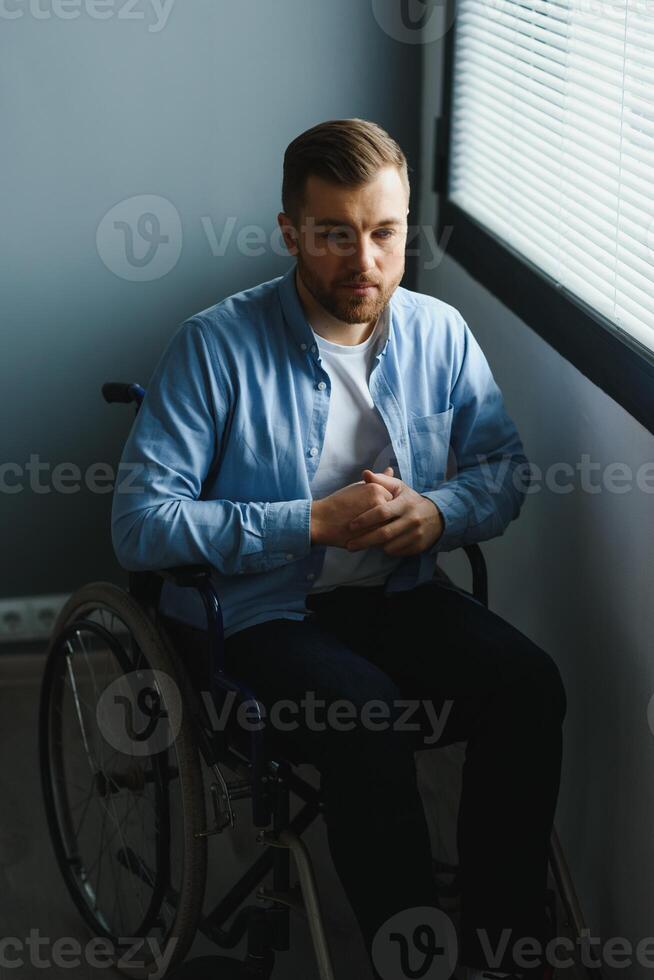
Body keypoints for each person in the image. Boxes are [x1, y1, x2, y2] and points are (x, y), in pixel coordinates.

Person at [111, 118, 566, 980]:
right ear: (291, 233)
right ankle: (418, 959)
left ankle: (509, 942)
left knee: (530, 684)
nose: (364, 260)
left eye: (385, 232)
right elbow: (140, 524)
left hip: (394, 598)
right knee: (363, 716)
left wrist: (438, 513)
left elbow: (504, 471)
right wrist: (309, 521)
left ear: (405, 229)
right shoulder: (214, 347)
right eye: (335, 235)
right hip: (253, 617)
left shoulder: (441, 334)